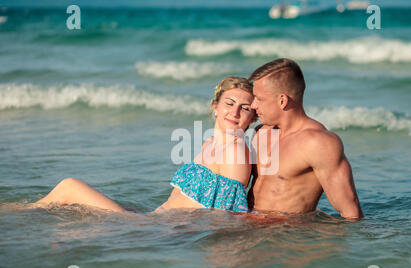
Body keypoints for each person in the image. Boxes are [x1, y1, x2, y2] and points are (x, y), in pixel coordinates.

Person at [33, 77, 256, 214]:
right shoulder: (210, 143)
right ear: (215, 106)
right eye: (229, 103)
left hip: (161, 231)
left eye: (245, 108)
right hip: (153, 219)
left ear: (252, 118)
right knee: (68, 219)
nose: (235, 112)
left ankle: (14, 216)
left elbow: (227, 214)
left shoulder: (235, 152)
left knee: (69, 187)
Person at [247, 58, 364, 220]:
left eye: (259, 99)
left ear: (282, 101)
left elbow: (350, 211)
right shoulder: (260, 132)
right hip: (249, 228)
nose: (253, 105)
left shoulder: (318, 143)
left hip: (284, 236)